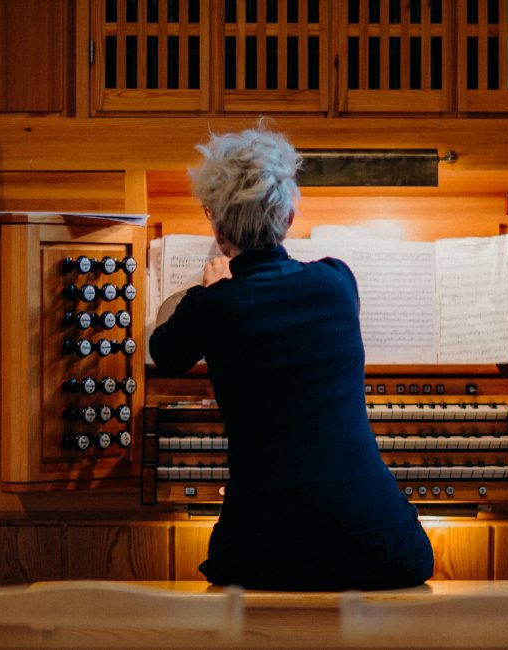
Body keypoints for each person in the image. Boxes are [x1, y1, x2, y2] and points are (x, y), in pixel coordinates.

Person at [149, 125, 434, 591]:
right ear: (288, 218)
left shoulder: (214, 305)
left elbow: (165, 352)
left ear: (217, 230)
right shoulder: (338, 282)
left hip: (262, 552)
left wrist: (209, 289)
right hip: (384, 548)